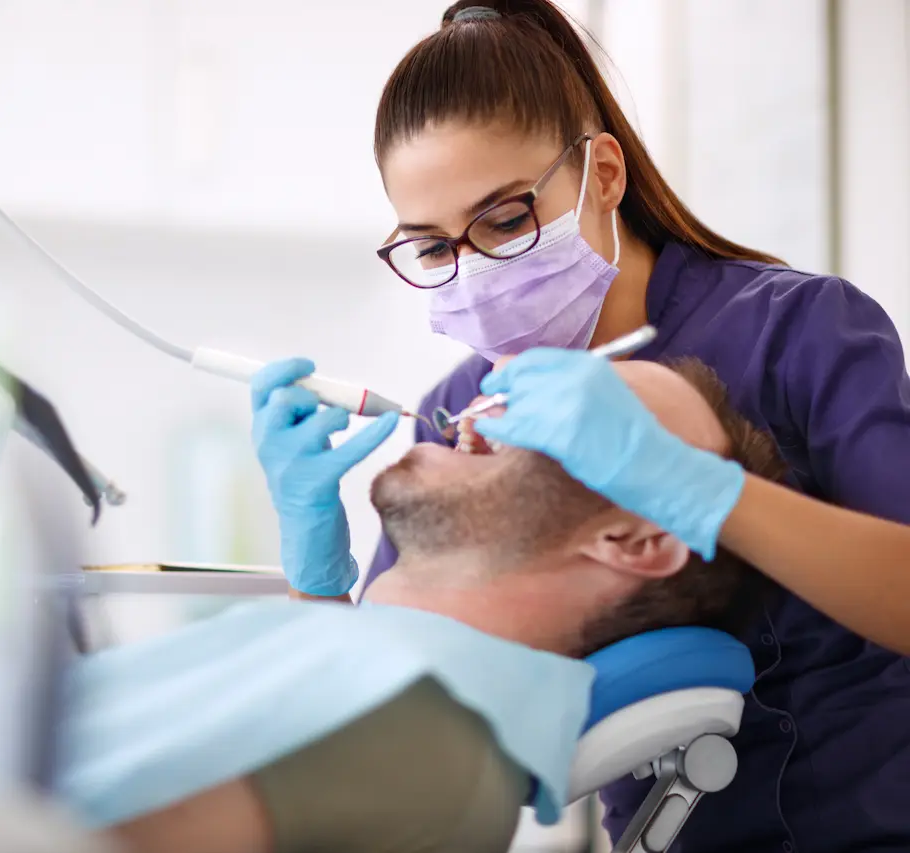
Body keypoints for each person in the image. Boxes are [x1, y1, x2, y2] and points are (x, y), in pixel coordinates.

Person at [253, 2, 910, 849]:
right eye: (431, 248)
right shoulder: (464, 410)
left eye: (504, 220)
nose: (475, 276)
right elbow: (383, 699)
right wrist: (315, 577)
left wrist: (699, 490)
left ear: (602, 175)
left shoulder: (797, 332)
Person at [63, 359, 783, 853]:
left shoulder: (417, 722)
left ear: (632, 538)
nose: (487, 401)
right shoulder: (395, 688)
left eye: (579, 409)